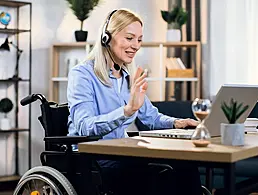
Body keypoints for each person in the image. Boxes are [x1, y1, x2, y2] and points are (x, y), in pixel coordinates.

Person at [67, 8, 202, 195]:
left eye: (139, 39)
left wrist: (177, 123)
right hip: (93, 160)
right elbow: (84, 126)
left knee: (185, 167)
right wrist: (127, 110)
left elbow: (151, 118)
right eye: (129, 38)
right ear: (107, 38)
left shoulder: (127, 76)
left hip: (121, 154)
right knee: (160, 175)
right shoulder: (82, 74)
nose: (136, 45)